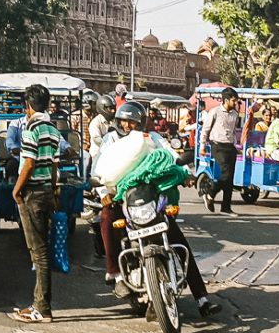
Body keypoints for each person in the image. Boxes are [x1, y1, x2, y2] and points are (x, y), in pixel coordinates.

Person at [111, 148, 222, 318]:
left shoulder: (169, 170)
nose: (158, 168)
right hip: (137, 220)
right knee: (123, 243)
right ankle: (120, 279)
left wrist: (193, 180)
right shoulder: (129, 175)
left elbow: (185, 176)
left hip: (160, 219)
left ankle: (202, 299)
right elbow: (115, 190)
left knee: (183, 250)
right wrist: (109, 196)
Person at [93, 101, 170, 286]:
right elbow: (97, 169)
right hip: (120, 198)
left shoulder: (151, 137)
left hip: (150, 196)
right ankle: (113, 271)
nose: (126, 126)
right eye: (123, 121)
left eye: (132, 122)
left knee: (173, 229)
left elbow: (169, 153)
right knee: (106, 218)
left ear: (141, 122)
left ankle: (201, 297)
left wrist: (184, 172)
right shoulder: (110, 139)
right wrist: (104, 193)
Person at [8, 84, 61, 323]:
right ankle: (40, 304)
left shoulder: (31, 128)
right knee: (41, 250)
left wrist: (16, 191)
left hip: (32, 193)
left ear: (28, 107)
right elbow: (53, 166)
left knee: (38, 252)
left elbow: (28, 163)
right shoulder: (52, 129)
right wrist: (54, 190)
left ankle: (42, 307)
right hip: (46, 191)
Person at [200, 87, 240, 215]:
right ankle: (210, 193)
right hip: (217, 146)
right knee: (226, 174)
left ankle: (226, 207)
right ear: (226, 100)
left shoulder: (235, 114)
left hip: (230, 146)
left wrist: (236, 146)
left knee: (230, 179)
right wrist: (202, 146)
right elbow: (205, 129)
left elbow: (233, 131)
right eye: (234, 101)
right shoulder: (215, 111)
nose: (235, 103)